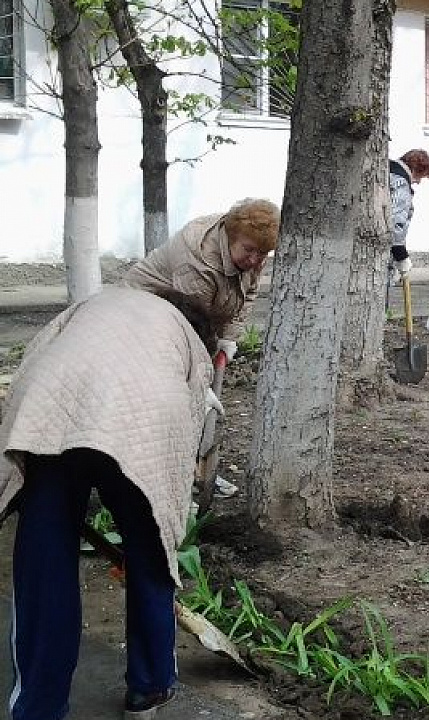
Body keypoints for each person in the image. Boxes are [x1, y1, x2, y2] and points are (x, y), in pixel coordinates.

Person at [0, 287, 225, 720]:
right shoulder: (193, 347)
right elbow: (192, 440)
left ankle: (39, 707)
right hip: (146, 421)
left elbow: (37, 351)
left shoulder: (101, 302)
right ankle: (151, 687)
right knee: (151, 552)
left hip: (55, 403)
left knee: (45, 564)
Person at [122, 197, 280, 361]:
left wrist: (228, 337)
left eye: (262, 253)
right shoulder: (198, 263)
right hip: (139, 313)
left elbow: (248, 292)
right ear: (231, 237)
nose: (254, 260)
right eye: (249, 249)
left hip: (183, 317)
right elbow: (194, 330)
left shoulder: (251, 251)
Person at [389, 148, 429, 280]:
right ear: (415, 169)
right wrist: (401, 256)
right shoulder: (401, 183)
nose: (419, 182)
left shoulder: (387, 171)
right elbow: (394, 220)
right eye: (421, 176)